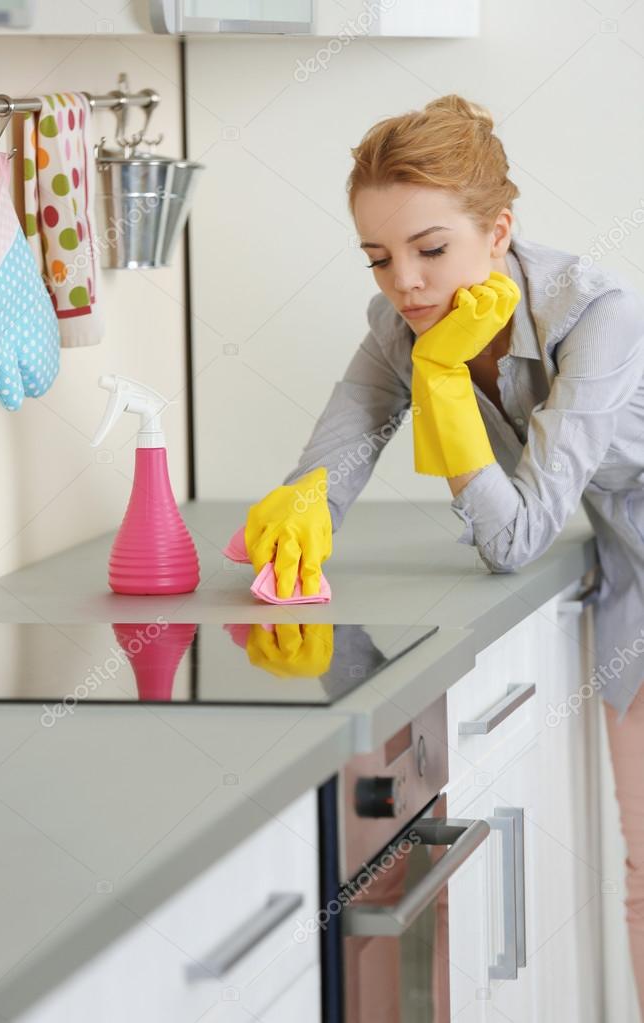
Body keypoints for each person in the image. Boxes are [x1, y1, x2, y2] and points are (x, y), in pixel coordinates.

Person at [242, 93, 644, 1007]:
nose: (406, 284)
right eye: (379, 257)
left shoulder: (600, 318)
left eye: (430, 249)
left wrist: (443, 380)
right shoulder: (403, 327)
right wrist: (302, 507)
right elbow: (328, 469)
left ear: (498, 233)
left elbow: (517, 536)